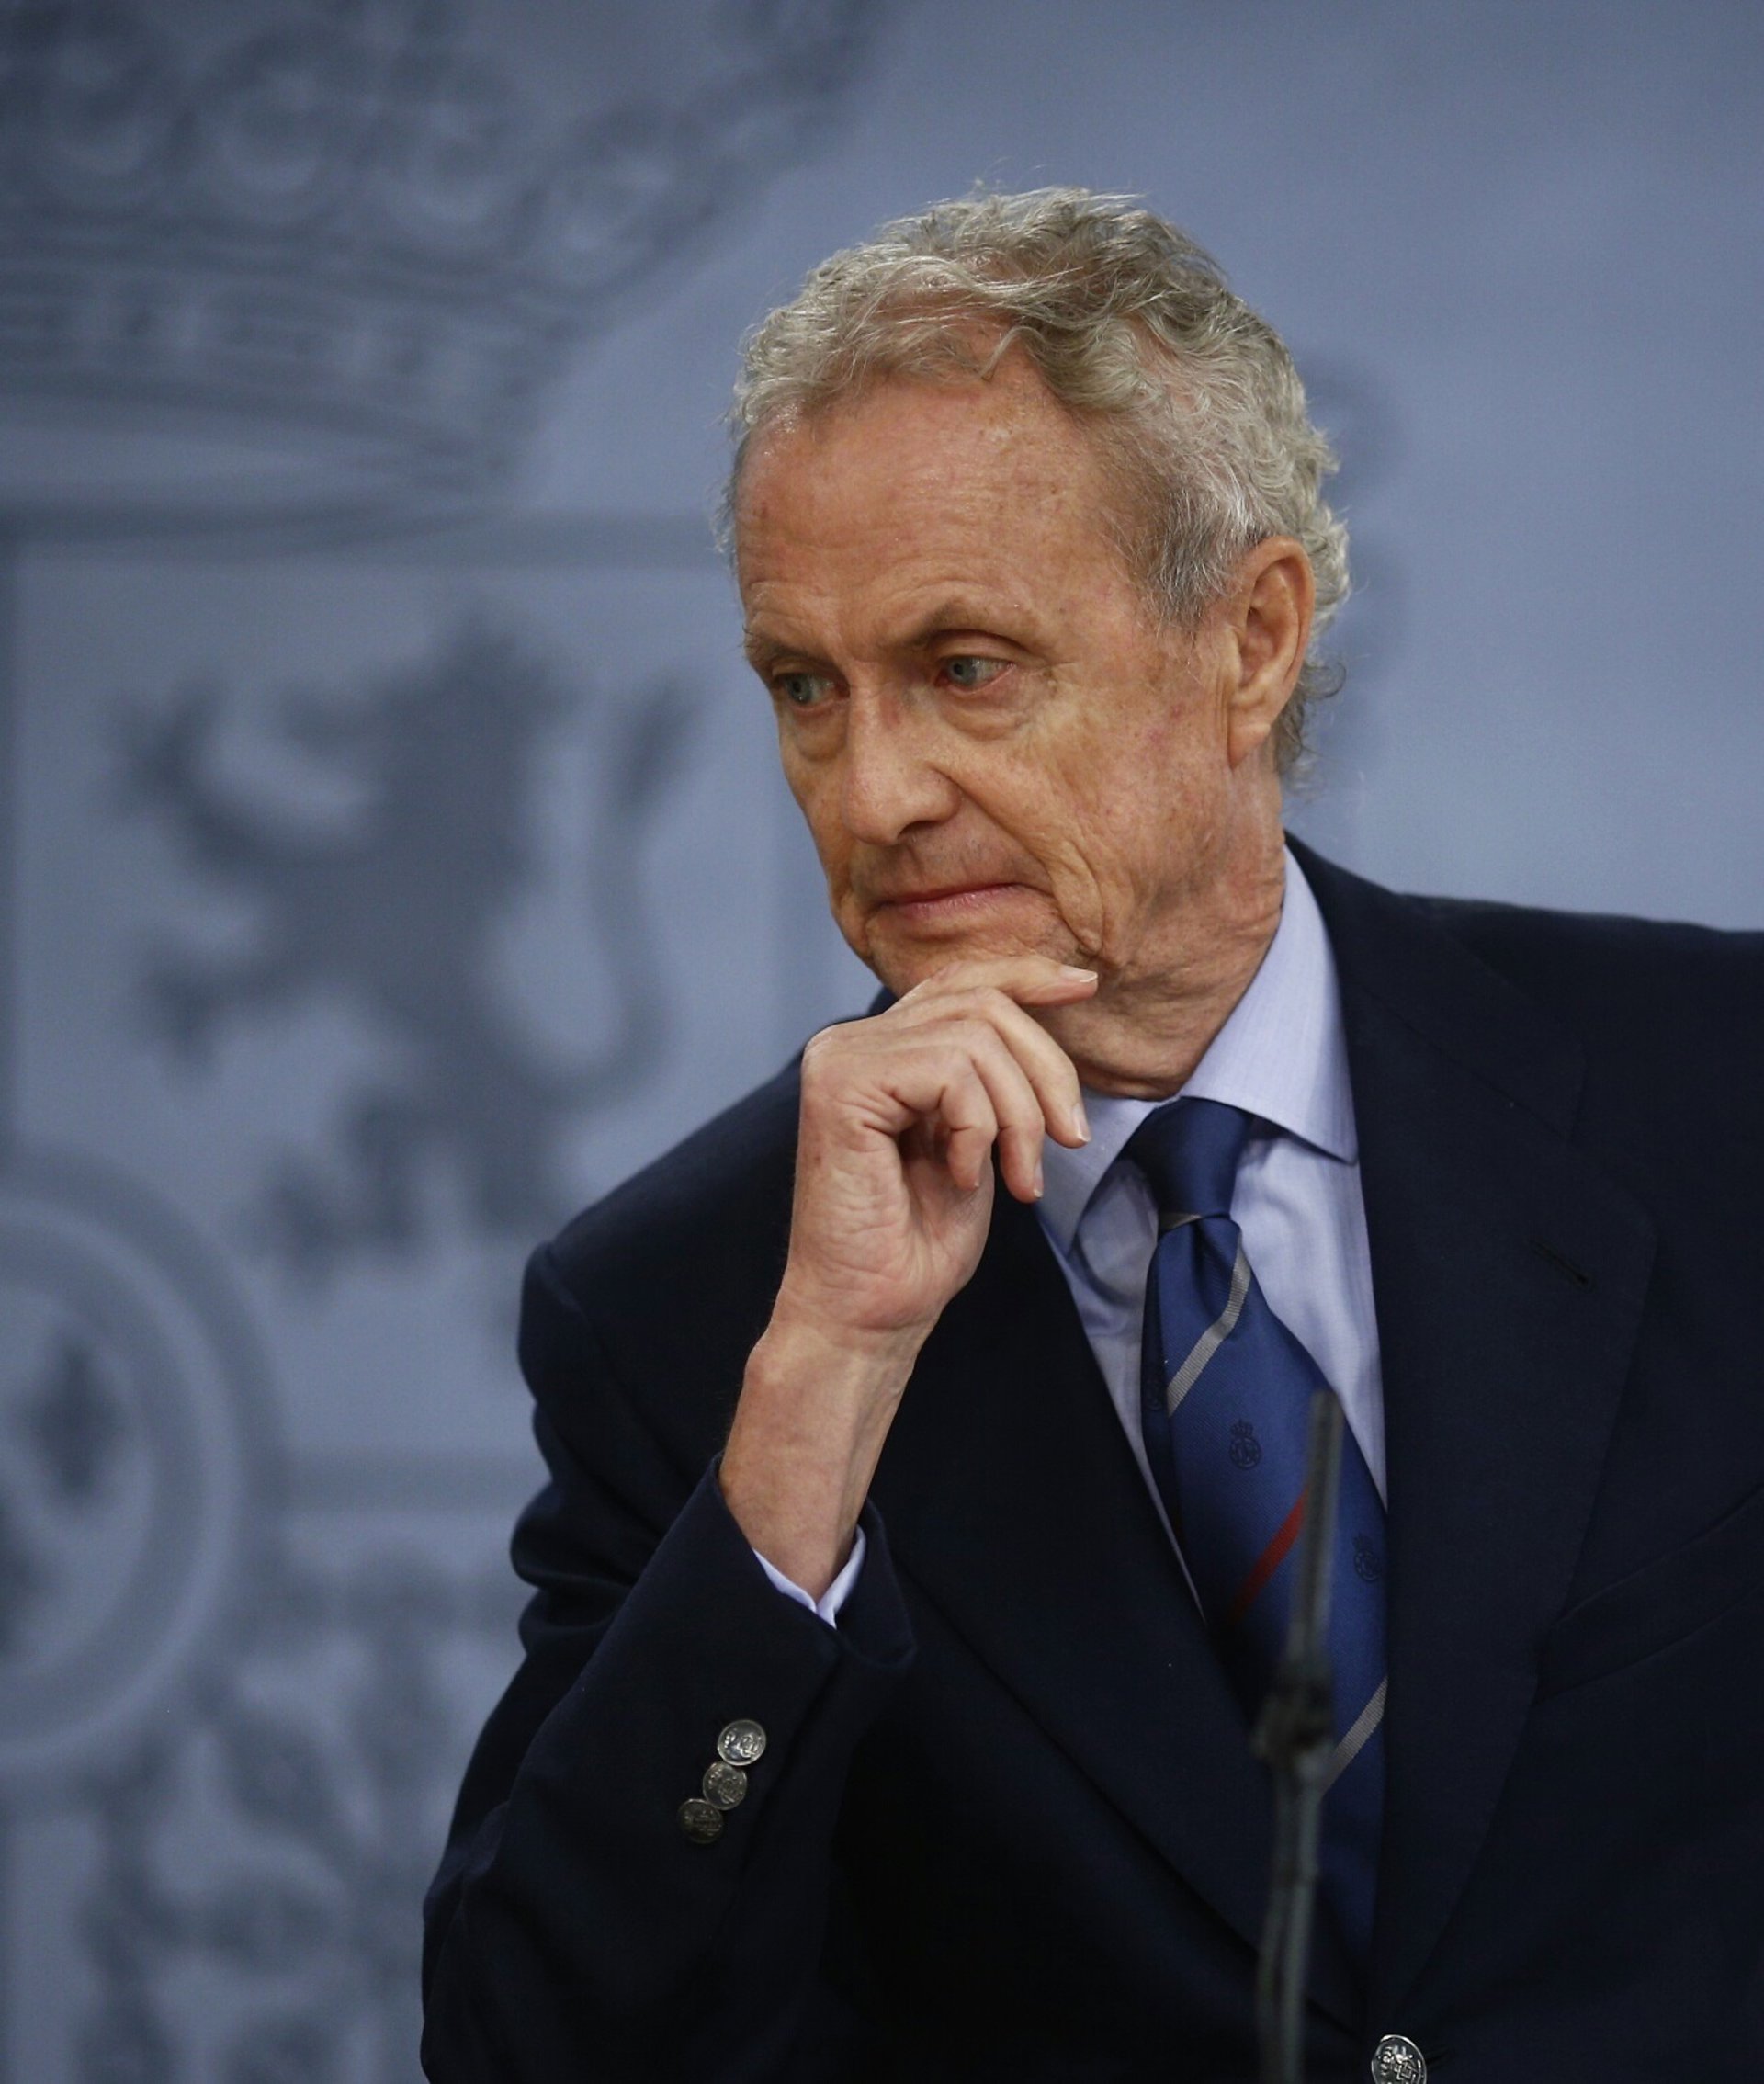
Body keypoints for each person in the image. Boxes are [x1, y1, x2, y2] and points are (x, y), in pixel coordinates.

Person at [421, 189, 1764, 2082]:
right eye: (806, 689)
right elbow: (546, 2048)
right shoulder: (683, 1313)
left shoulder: (1716, 1089)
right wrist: (822, 1393)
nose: (874, 794)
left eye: (965, 667)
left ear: (1252, 640)